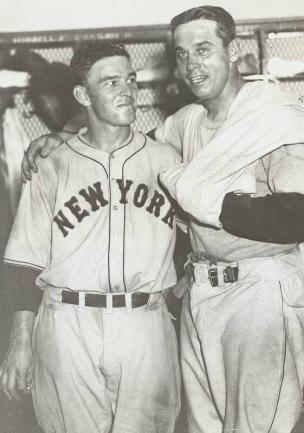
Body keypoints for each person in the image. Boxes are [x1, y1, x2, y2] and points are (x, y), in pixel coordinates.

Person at [16, 6, 304, 433]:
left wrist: (207, 199)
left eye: (203, 49)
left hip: (259, 294)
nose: (191, 64)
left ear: (233, 50)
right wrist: (63, 135)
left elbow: (303, 217)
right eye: (181, 54)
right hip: (201, 297)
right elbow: (114, 133)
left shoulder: (277, 115)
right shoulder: (186, 123)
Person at [0, 41, 181, 433]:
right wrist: (20, 342)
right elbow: (23, 260)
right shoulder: (52, 163)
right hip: (67, 324)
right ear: (82, 94)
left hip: (144, 323)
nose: (127, 91)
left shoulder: (168, 160)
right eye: (111, 82)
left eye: (130, 80)